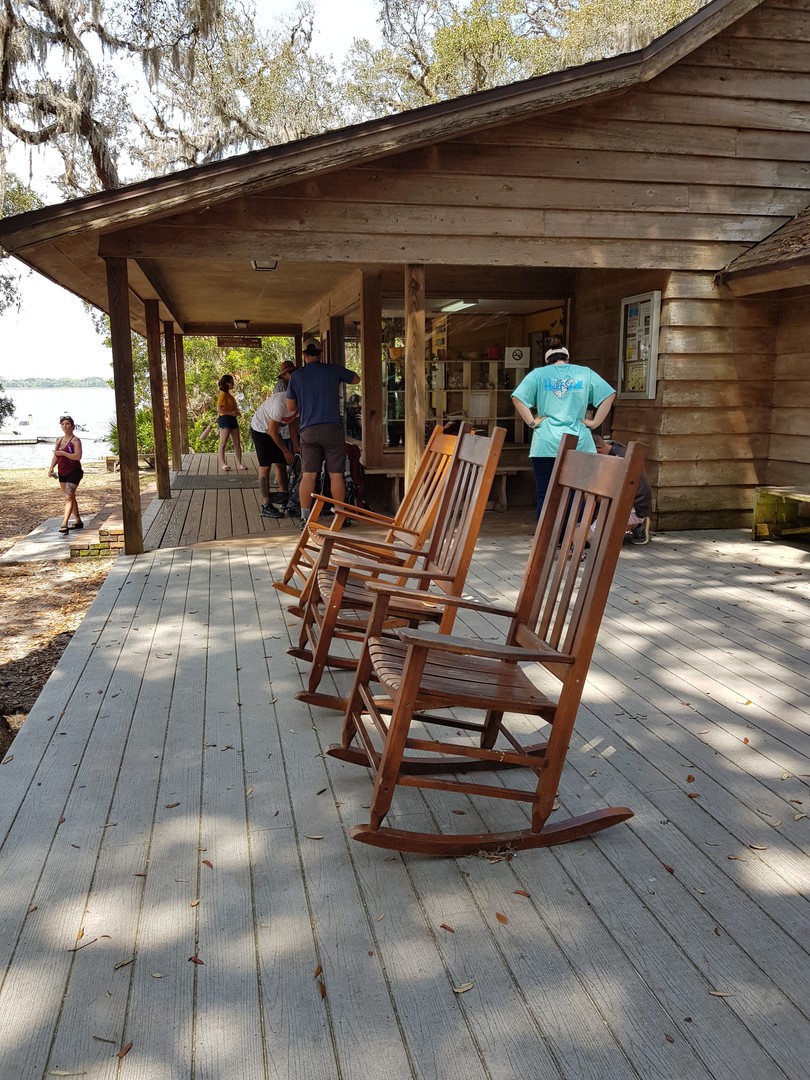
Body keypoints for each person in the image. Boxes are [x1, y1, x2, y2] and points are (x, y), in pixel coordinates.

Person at [511, 338, 616, 517]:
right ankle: (574, 540)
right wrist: (596, 422)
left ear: (547, 361)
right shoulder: (585, 373)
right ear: (567, 359)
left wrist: (532, 421)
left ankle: (546, 539)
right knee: (578, 493)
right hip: (579, 442)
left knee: (545, 493)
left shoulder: (538, 374)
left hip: (546, 443)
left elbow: (517, 397)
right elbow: (609, 394)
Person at [285, 338, 360, 528]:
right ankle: (340, 516)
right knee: (336, 474)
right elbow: (356, 378)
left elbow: (290, 406)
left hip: (308, 430)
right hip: (332, 429)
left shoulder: (297, 376)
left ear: (303, 355)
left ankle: (305, 518)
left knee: (308, 475)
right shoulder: (333, 370)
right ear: (321, 352)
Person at [593, 435, 653, 544]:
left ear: (598, 449)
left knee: (594, 537)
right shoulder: (611, 448)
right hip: (628, 500)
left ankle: (637, 523)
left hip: (635, 506)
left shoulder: (620, 457)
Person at [250, 389, 300, 519]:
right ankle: (266, 504)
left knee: (281, 463)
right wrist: (286, 450)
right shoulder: (279, 404)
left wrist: (296, 447)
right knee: (265, 466)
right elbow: (272, 431)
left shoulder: (300, 403)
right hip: (261, 429)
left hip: (276, 431)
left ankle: (284, 497)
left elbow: (292, 425)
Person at [48, 414, 84, 534]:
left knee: (68, 497)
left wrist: (63, 453)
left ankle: (64, 523)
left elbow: (77, 456)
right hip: (62, 472)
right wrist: (51, 468)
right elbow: (56, 455)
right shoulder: (58, 439)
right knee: (71, 496)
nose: (65, 426)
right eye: (63, 424)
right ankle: (78, 520)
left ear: (73, 426)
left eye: (67, 424)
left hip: (74, 472)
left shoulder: (75, 440)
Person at [216, 373, 248, 472]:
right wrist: (230, 413)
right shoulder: (222, 395)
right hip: (225, 419)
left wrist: (235, 413)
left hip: (232, 419)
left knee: (237, 443)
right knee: (223, 443)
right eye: (231, 383)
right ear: (226, 383)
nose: (233, 384)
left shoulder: (229, 395)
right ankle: (223, 464)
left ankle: (239, 463)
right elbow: (219, 409)